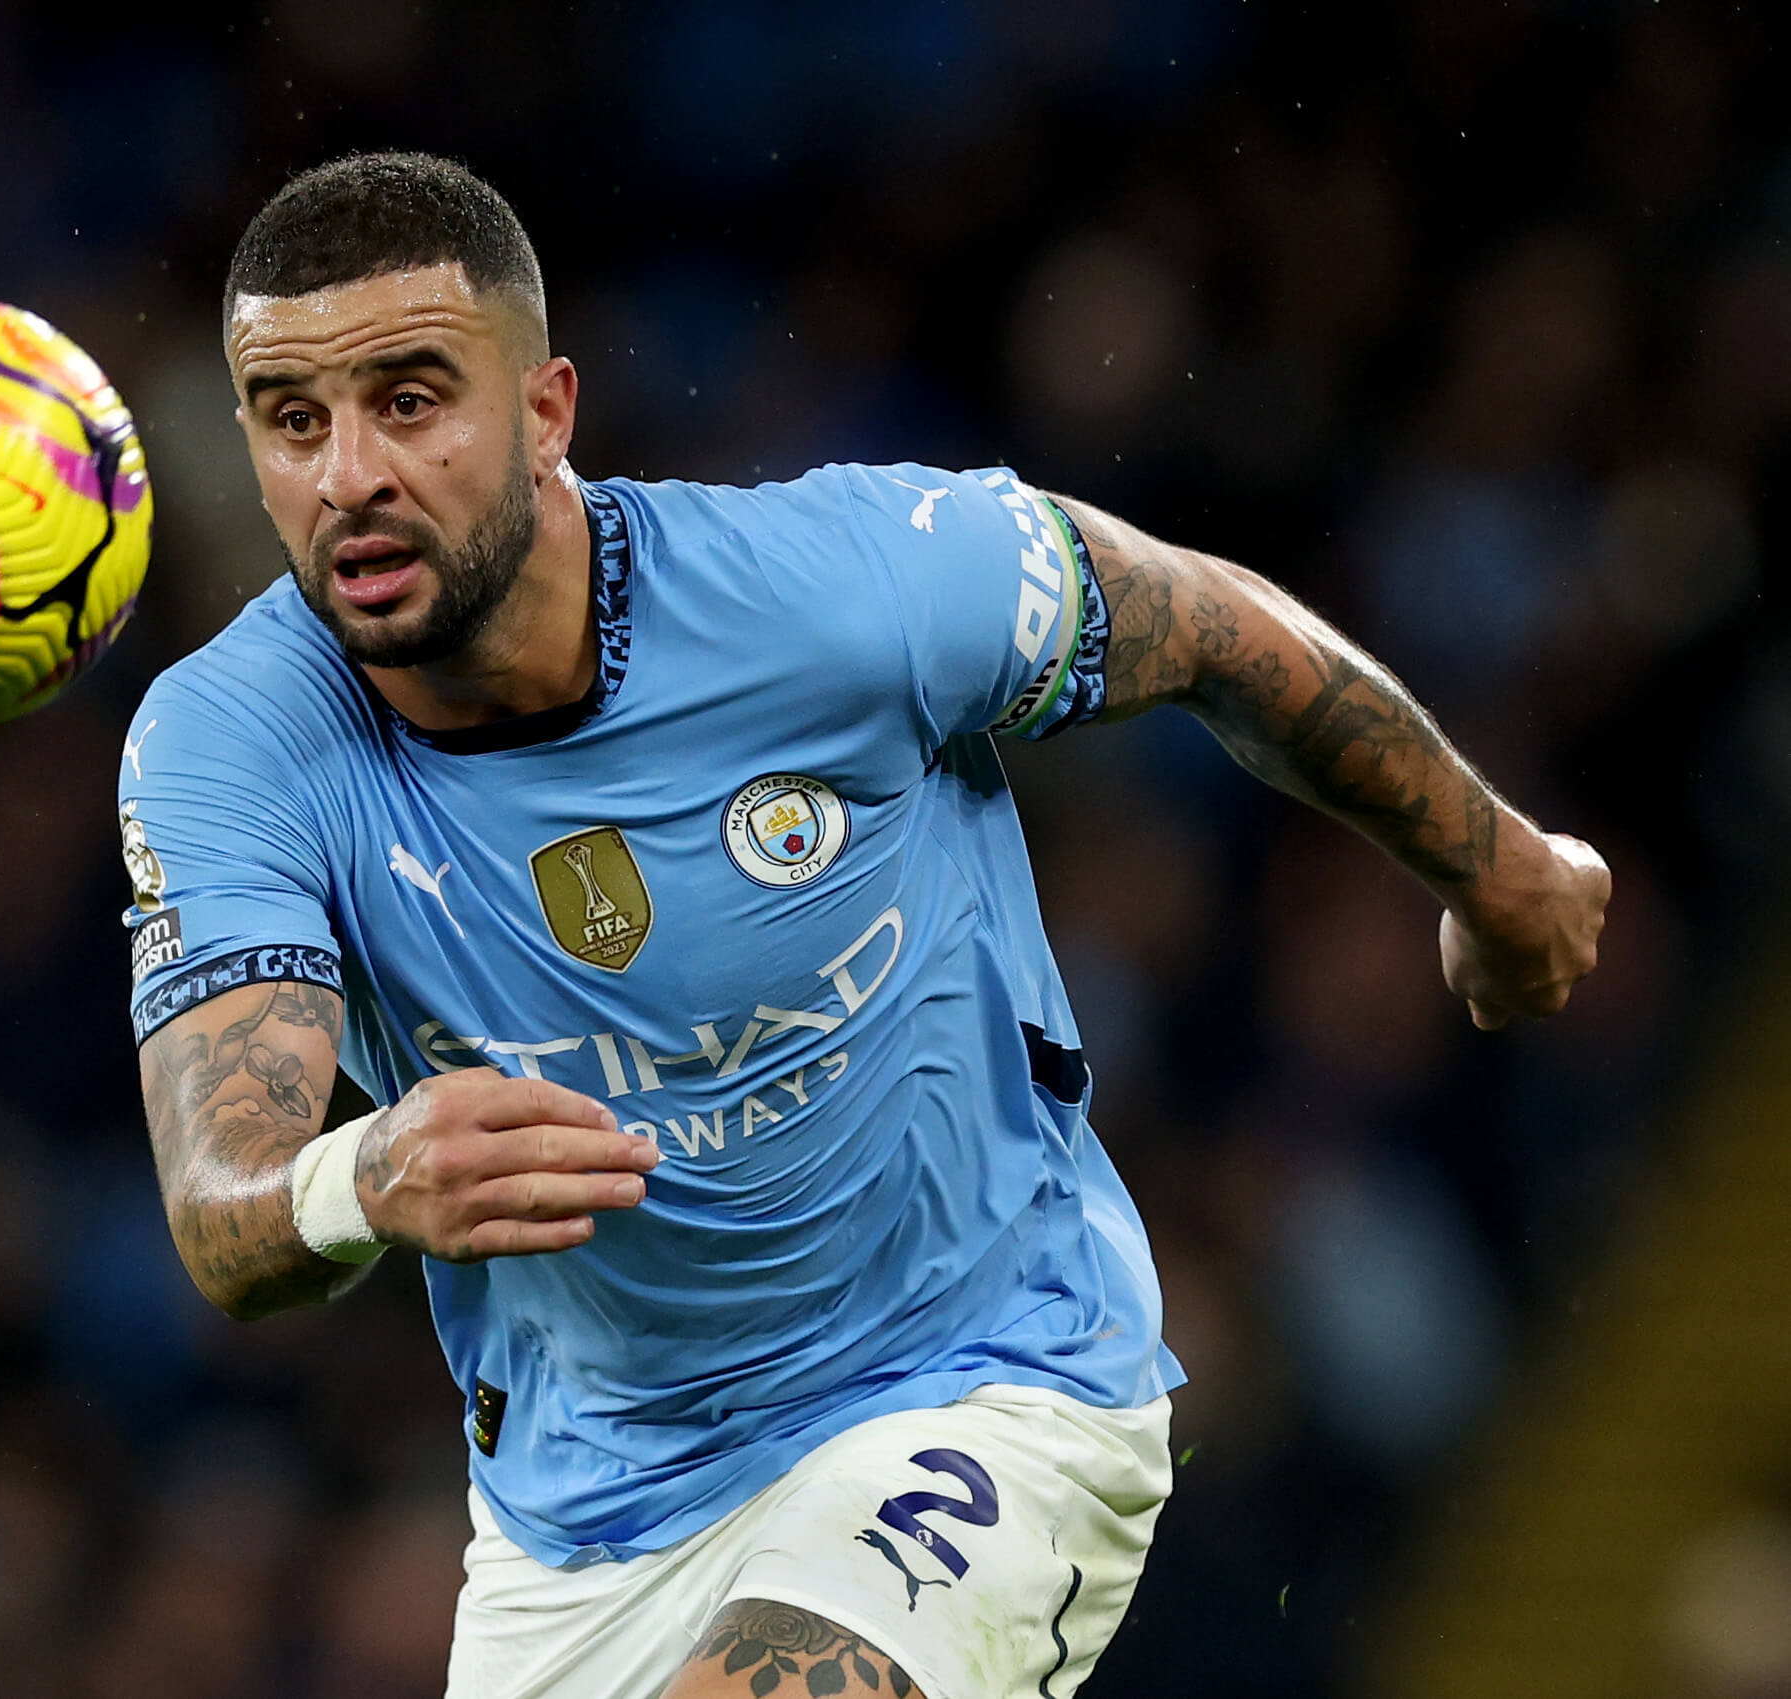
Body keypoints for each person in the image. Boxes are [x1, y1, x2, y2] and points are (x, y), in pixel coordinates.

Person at [117, 152, 1608, 1699]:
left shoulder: (848, 588)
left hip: (977, 1385)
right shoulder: (231, 742)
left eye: (411, 400)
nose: (348, 472)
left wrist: (1502, 876)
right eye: (293, 421)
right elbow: (227, 1200)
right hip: (587, 1528)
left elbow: (1218, 630)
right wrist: (364, 1172)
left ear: (548, 412)